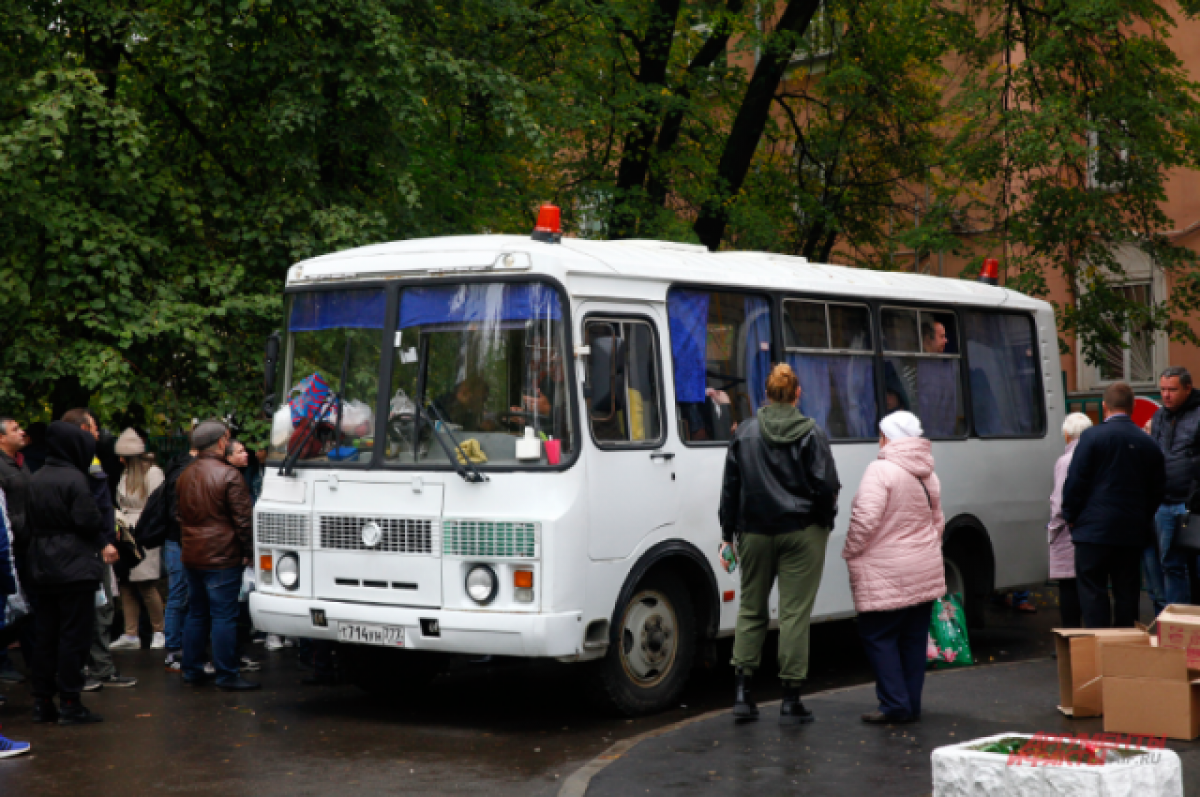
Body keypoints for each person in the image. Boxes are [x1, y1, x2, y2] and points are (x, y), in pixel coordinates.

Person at [719, 363, 841, 725]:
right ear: (797, 394)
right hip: (802, 531)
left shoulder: (744, 433)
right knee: (793, 614)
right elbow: (826, 487)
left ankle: (742, 694)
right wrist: (824, 522)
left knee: (751, 608)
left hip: (754, 532)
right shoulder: (812, 433)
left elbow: (731, 487)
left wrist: (728, 532)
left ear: (766, 394)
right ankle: (790, 698)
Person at [843, 411, 945, 725]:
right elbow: (937, 521)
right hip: (923, 568)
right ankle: (910, 703)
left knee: (879, 635)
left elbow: (865, 519)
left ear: (887, 437)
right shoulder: (928, 473)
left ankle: (894, 704)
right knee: (913, 640)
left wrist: (851, 549)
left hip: (885, 571)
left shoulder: (880, 470)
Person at [27, 421, 114, 724]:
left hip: (42, 564)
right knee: (73, 635)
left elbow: (26, 522)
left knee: (45, 635)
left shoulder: (35, 477)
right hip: (74, 565)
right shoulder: (75, 480)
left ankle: (42, 701)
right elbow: (89, 521)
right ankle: (70, 701)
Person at [1062, 382, 1166, 628]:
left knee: (1092, 591)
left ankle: (1098, 646)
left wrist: (1071, 515)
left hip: (1092, 530)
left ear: (1104, 406)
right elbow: (1158, 489)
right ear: (1132, 408)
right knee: (1126, 592)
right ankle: (1123, 649)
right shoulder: (1148, 443)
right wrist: (1142, 517)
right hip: (1130, 531)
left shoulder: (1091, 437)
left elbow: (1076, 480)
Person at [176, 421, 259, 690]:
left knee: (197, 613)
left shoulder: (185, 475)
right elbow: (243, 522)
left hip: (192, 553)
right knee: (224, 615)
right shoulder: (230, 475)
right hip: (222, 556)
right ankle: (227, 674)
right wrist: (249, 553)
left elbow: (179, 515)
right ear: (222, 442)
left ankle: (191, 669)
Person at [60, 409, 136, 690]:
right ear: (81, 429)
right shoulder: (74, 463)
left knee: (102, 608)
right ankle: (88, 670)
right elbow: (87, 509)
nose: (98, 433)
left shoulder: (89, 459)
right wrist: (103, 541)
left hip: (98, 546)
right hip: (89, 549)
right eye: (94, 428)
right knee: (91, 611)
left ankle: (102, 669)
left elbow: (101, 503)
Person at [1143, 366, 1200, 616]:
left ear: (1187, 388)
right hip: (1164, 502)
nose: (1166, 395)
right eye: (1163, 390)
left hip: (1192, 504)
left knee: (1193, 566)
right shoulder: (1160, 417)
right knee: (1170, 564)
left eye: (1172, 390)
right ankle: (1177, 621)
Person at [109, 429, 167, 651]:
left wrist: (141, 529)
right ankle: (130, 633)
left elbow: (156, 506)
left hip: (144, 533)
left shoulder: (153, 473)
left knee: (146, 584)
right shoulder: (125, 474)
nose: (119, 459)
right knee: (126, 584)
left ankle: (159, 631)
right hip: (125, 532)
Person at [1049, 412, 1093, 628]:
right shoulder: (1097, 456)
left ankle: (1071, 637)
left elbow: (1059, 501)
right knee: (1091, 588)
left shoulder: (1065, 461)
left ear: (1066, 435)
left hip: (1068, 531)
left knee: (1068, 587)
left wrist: (1053, 529)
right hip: (1093, 529)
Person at [0, 417, 31, 683]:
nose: (22, 432)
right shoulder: (2, 468)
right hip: (11, 545)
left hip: (24, 544)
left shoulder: (21, 462)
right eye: (15, 430)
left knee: (22, 608)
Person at [162, 445, 197, 671]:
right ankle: (174, 649)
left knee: (179, 594)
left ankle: (177, 647)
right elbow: (178, 512)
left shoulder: (175, 467)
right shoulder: (185, 473)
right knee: (178, 595)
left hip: (175, 540)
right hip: (180, 541)